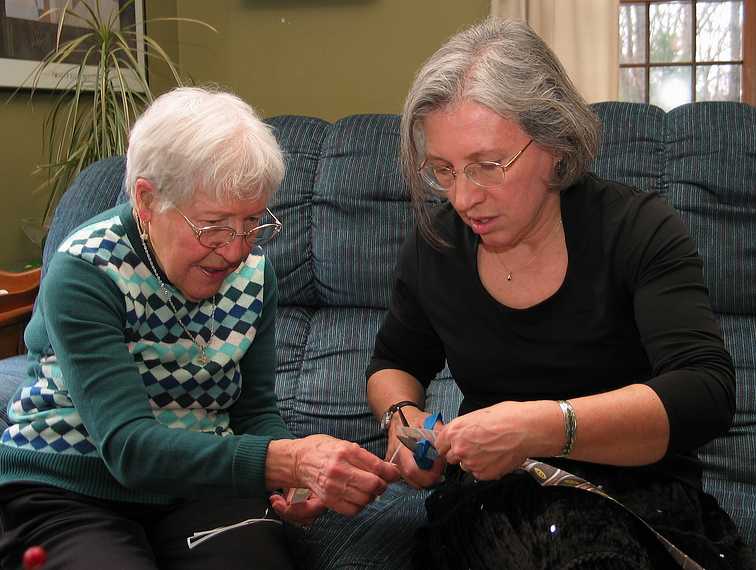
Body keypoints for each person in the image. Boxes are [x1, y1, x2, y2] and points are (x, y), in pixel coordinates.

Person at [366, 18, 755, 570]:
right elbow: (394, 362)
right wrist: (405, 422)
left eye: (487, 165)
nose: (463, 198)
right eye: (444, 172)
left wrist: (543, 426)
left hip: (635, 495)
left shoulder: (637, 228)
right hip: (495, 500)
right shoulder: (437, 246)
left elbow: (704, 392)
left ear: (554, 141)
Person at [0, 87, 399, 570]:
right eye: (213, 225)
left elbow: (252, 410)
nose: (235, 250)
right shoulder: (86, 271)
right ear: (147, 200)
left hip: (199, 489)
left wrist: (290, 482)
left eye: (252, 221)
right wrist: (288, 460)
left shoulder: (253, 275)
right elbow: (129, 448)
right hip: (72, 486)